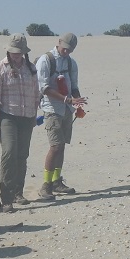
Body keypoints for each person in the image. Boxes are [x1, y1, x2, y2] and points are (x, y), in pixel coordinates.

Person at [0, 34, 42, 213]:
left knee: (22, 155)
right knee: (9, 153)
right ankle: (7, 198)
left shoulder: (31, 68)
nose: (16, 55)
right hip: (7, 117)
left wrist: (34, 116)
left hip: (27, 117)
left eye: (19, 52)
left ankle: (18, 193)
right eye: (13, 51)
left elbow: (36, 94)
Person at [36, 32, 87, 201]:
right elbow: (44, 88)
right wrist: (67, 99)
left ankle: (57, 181)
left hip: (67, 109)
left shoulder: (71, 63)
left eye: (70, 50)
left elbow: (74, 85)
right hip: (52, 109)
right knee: (55, 146)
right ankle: (46, 185)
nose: (66, 52)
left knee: (62, 145)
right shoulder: (46, 60)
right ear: (58, 42)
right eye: (64, 49)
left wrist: (78, 101)